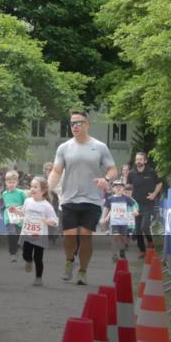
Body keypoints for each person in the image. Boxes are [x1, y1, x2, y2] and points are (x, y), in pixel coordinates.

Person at [47, 110, 117, 286]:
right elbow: (56, 171)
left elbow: (112, 170)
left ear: (87, 124)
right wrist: (46, 189)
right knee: (69, 236)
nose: (75, 126)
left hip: (92, 199)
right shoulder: (64, 148)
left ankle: (83, 271)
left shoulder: (99, 146)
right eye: (72, 123)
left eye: (78, 122)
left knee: (86, 236)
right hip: (69, 198)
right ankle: (70, 260)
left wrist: (106, 179)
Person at [20, 177, 59, 286]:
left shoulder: (47, 205)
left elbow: (55, 221)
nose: (32, 189)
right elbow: (23, 214)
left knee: (38, 258)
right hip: (28, 234)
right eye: (31, 186)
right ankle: (28, 260)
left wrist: (47, 221)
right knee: (25, 253)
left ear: (43, 190)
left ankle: (38, 278)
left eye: (35, 187)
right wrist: (15, 211)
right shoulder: (27, 201)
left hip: (40, 236)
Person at [130, 151, 162, 257]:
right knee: (138, 229)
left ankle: (150, 241)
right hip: (136, 204)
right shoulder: (132, 173)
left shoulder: (151, 172)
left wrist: (154, 194)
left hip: (148, 203)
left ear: (145, 161)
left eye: (140, 159)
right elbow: (128, 187)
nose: (138, 161)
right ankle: (142, 251)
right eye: (136, 159)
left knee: (144, 227)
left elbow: (159, 183)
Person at [101, 180, 138, 261]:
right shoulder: (110, 199)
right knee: (115, 237)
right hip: (114, 222)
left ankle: (122, 251)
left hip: (124, 222)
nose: (118, 188)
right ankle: (114, 255)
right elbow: (106, 208)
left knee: (122, 239)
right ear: (113, 189)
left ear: (123, 189)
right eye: (116, 187)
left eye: (120, 187)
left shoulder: (126, 198)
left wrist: (135, 211)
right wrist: (103, 218)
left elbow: (133, 205)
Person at [0, 170, 27, 262]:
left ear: (17, 182)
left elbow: (26, 204)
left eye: (13, 182)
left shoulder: (21, 193)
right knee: (11, 234)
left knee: (19, 236)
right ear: (6, 182)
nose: (11, 184)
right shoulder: (4, 194)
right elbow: (4, 205)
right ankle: (12, 253)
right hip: (8, 218)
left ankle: (20, 249)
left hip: (19, 217)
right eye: (9, 182)